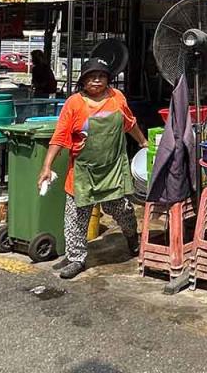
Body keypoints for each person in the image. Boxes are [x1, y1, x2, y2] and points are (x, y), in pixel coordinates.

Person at [37, 58, 149, 280]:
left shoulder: (117, 98)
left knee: (122, 210)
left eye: (102, 76)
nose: (97, 80)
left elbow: (130, 123)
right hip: (82, 173)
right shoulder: (74, 103)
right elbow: (60, 137)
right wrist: (46, 166)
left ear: (108, 79)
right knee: (75, 218)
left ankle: (131, 239)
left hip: (112, 170)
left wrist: (143, 142)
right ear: (83, 81)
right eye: (91, 76)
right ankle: (76, 258)